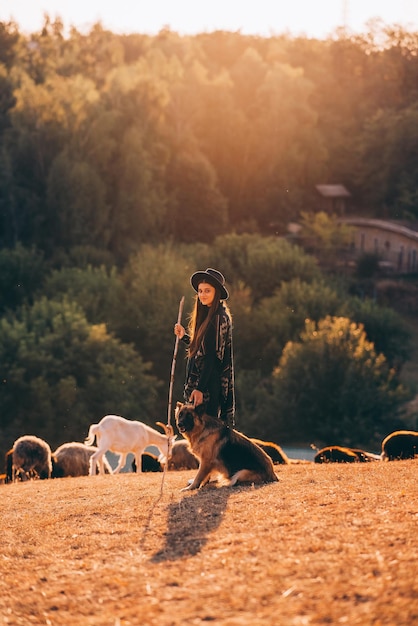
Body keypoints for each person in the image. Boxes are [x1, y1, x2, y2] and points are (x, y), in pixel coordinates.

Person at [174, 268, 235, 427]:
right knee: (198, 434)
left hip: (209, 386)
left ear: (216, 293)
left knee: (206, 433)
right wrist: (185, 337)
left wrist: (200, 389)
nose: (202, 294)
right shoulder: (209, 316)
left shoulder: (218, 318)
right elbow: (203, 349)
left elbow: (211, 358)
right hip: (205, 383)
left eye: (207, 291)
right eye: (200, 291)